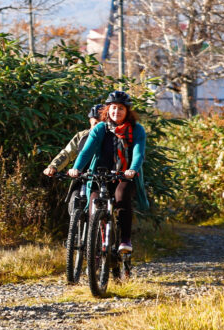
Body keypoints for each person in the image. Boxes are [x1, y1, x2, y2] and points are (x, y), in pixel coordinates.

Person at [68, 90, 149, 254]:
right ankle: (97, 245)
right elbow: (86, 152)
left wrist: (132, 169)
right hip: (101, 175)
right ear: (107, 110)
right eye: (113, 108)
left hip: (125, 176)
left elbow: (139, 153)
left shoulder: (136, 130)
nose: (116, 112)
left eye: (120, 108)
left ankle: (125, 240)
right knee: (94, 203)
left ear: (127, 111)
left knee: (121, 196)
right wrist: (76, 168)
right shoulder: (100, 128)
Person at [44, 104, 104, 178]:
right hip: (82, 175)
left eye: (101, 124)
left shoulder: (112, 135)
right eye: (95, 123)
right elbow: (67, 153)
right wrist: (53, 167)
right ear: (90, 121)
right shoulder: (82, 136)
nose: (98, 127)